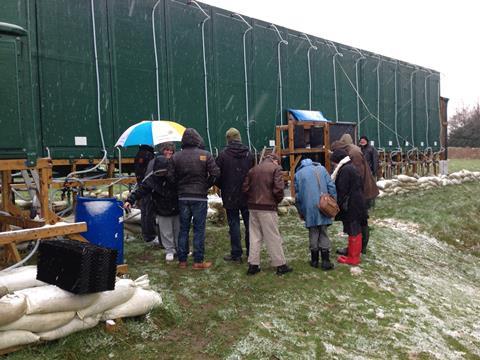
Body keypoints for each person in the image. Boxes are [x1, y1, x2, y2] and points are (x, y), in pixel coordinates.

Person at [167, 128, 220, 270]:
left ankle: (182, 261)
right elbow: (215, 173)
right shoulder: (205, 155)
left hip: (183, 197)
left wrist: (180, 186)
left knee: (183, 229)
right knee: (199, 229)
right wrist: (205, 185)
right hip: (200, 198)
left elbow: (170, 177)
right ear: (197, 139)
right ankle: (198, 261)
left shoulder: (176, 156)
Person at [125, 143, 179, 261]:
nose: (169, 152)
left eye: (171, 150)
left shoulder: (175, 173)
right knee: (165, 230)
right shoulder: (152, 176)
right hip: (161, 206)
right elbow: (143, 188)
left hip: (175, 205)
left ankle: (179, 249)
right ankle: (169, 250)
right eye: (166, 150)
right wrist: (130, 199)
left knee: (177, 229)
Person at [242, 153, 293, 276]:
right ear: (275, 161)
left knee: (254, 237)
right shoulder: (276, 169)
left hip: (253, 207)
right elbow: (279, 189)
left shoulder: (253, 169)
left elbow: (245, 188)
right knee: (272, 236)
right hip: (268, 207)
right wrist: (276, 201)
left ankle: (253, 265)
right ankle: (280, 265)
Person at [331, 134, 379, 254]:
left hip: (361, 193)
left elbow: (358, 175)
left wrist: (352, 193)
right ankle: (358, 248)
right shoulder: (353, 151)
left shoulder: (353, 154)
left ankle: (358, 248)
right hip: (360, 192)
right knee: (360, 220)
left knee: (357, 221)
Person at [216, 128, 255, 263]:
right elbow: (253, 173)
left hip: (230, 194)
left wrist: (224, 187)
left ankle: (236, 254)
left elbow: (216, 175)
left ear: (228, 139)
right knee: (250, 224)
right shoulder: (248, 154)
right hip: (247, 194)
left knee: (234, 225)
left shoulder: (222, 155)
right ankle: (252, 253)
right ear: (239, 138)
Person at [294, 158, 337, 270]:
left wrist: (300, 210)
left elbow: (297, 196)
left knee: (313, 232)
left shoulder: (298, 174)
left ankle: (314, 261)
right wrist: (333, 201)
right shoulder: (322, 169)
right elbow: (331, 186)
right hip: (323, 204)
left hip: (308, 207)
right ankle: (326, 261)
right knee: (323, 231)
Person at [330, 149, 368, 266]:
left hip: (351, 205)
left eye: (333, 162)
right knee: (356, 230)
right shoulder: (351, 167)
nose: (333, 164)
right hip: (357, 203)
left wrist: (336, 205)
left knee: (353, 231)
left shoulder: (345, 170)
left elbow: (342, 190)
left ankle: (353, 258)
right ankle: (354, 255)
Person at [133, 145, 157, 245]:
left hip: (141, 184)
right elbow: (151, 172)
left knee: (144, 211)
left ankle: (146, 234)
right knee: (149, 212)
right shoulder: (149, 155)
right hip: (148, 186)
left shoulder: (139, 154)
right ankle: (150, 237)